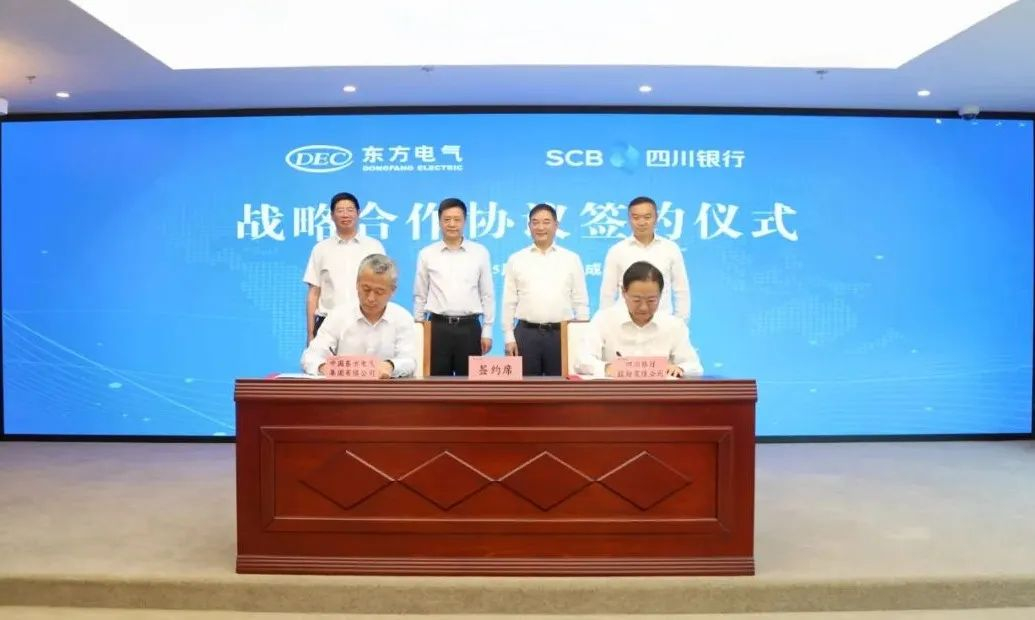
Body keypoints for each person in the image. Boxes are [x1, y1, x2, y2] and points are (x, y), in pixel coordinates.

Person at [501, 203, 589, 375]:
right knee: (524, 387)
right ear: (529, 226)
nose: (540, 227)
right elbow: (509, 302)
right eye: (535, 222)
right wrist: (508, 336)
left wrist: (581, 338)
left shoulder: (571, 259)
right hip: (526, 334)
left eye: (546, 222)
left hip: (561, 335)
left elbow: (580, 301)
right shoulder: (516, 259)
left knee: (561, 387)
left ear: (556, 225)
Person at [578, 261, 703, 378]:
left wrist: (680, 368)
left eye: (651, 300)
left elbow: (694, 366)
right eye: (637, 300)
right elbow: (581, 361)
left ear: (660, 295)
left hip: (659, 393)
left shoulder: (674, 325)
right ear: (623, 292)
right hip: (615, 392)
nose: (644, 307)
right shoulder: (604, 320)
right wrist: (608, 368)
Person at [413, 198, 495, 376]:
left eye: (457, 219)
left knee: (470, 385)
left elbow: (487, 295)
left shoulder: (479, 252)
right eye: (447, 219)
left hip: (470, 328)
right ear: (439, 221)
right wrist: (419, 331)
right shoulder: (427, 254)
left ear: (465, 221)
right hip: (438, 327)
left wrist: (487, 330)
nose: (452, 224)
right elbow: (420, 295)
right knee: (436, 384)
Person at [301, 254, 416, 378]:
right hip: (344, 388)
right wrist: (324, 367)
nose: (371, 298)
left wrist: (390, 366)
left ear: (392, 290)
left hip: (387, 388)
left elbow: (409, 360)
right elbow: (310, 357)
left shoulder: (403, 318)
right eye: (366, 289)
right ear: (357, 284)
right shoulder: (338, 316)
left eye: (379, 292)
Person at [302, 191, 385, 343]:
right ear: (332, 216)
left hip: (365, 322)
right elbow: (313, 293)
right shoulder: (320, 249)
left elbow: (383, 288)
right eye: (340, 211)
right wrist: (310, 333)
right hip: (328, 323)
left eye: (350, 210)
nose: (345, 215)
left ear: (358, 213)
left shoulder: (374, 247)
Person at [599, 196, 690, 323]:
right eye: (636, 217)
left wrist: (681, 323)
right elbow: (607, 294)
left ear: (656, 218)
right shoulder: (617, 251)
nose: (641, 222)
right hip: (625, 324)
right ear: (629, 219)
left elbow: (681, 290)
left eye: (647, 217)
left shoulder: (671, 249)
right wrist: (606, 323)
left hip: (662, 322)